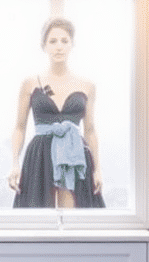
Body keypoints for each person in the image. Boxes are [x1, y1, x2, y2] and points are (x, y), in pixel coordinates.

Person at [8, 17, 105, 208]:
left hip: (75, 154)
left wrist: (98, 169)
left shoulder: (87, 85)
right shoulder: (30, 83)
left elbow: (90, 130)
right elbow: (19, 127)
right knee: (38, 220)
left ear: (72, 44)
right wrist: (14, 163)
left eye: (64, 41)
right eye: (52, 41)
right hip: (39, 156)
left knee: (75, 220)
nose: (58, 46)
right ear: (44, 45)